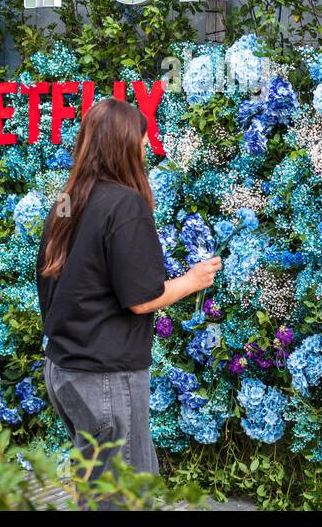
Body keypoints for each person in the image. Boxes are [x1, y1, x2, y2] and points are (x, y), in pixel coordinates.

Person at [36, 97, 220, 504]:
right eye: (141, 137)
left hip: (64, 369)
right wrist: (193, 280)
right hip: (104, 376)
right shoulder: (125, 204)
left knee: (99, 489)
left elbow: (51, 277)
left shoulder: (67, 201)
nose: (145, 146)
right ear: (123, 144)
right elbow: (141, 299)